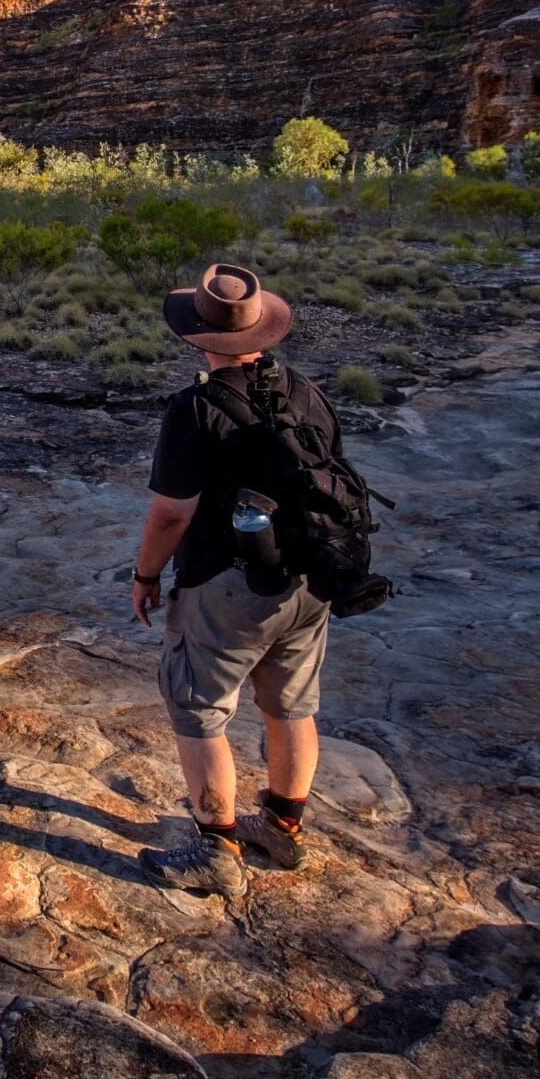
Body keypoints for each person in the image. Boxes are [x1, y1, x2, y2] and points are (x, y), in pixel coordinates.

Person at [128, 262, 335, 899]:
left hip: (227, 583)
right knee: (291, 705)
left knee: (197, 709)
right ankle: (280, 828)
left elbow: (171, 512)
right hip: (307, 581)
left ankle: (216, 848)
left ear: (195, 335)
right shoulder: (304, 391)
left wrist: (146, 574)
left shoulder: (195, 409)